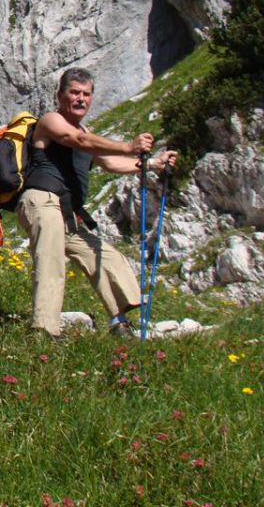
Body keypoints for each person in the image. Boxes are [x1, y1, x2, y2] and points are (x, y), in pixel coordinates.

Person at [17, 67, 177, 340]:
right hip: (41, 201)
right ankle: (43, 331)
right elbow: (75, 140)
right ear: (60, 95)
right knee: (52, 259)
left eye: (86, 94)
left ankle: (119, 321)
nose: (80, 99)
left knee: (105, 257)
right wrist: (129, 146)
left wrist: (151, 163)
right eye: (74, 92)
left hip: (67, 212)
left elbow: (109, 163)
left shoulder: (86, 131)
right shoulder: (50, 121)